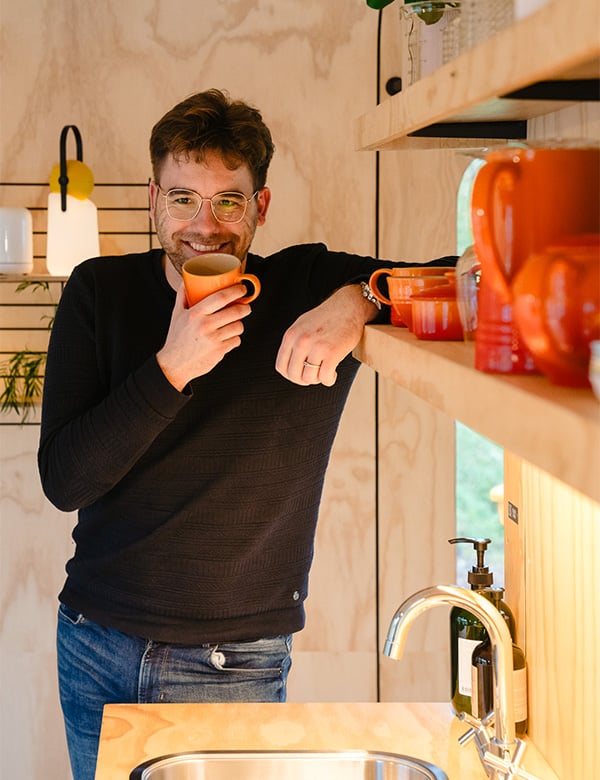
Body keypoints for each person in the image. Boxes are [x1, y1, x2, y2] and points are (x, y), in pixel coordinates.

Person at [38, 88, 456, 780]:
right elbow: (64, 481)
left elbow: (468, 277)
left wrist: (364, 300)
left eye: (228, 201)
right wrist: (173, 366)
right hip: (94, 646)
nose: (204, 226)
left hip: (234, 662)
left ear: (260, 206)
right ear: (153, 199)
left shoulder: (309, 287)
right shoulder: (98, 292)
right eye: (182, 199)